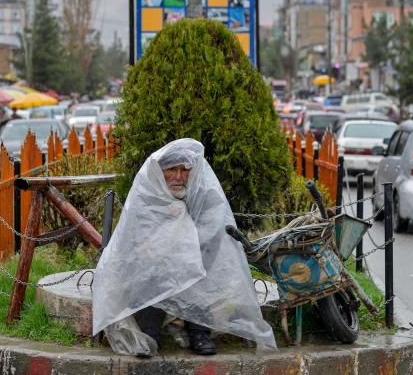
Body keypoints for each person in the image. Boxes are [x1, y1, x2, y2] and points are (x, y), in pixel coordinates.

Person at [92, 139, 276, 357]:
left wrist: (186, 234)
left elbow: (214, 236)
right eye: (172, 170)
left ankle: (199, 333)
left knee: (199, 268)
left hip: (194, 271)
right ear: (160, 172)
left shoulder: (197, 196)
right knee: (155, 271)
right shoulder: (146, 197)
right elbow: (135, 247)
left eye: (184, 170)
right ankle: (150, 333)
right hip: (153, 272)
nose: (179, 176)